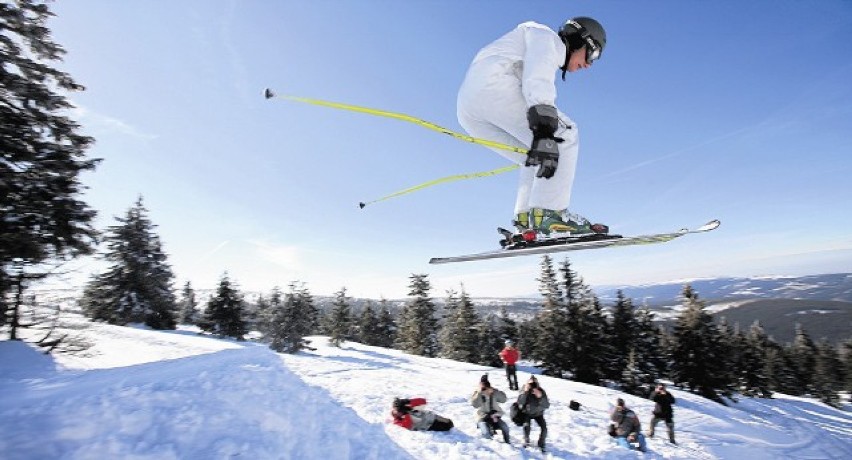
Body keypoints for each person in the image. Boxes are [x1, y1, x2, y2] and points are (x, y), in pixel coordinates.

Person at [457, 17, 609, 235]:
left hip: (469, 108)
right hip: (494, 86)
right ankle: (551, 212)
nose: (588, 65)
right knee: (566, 133)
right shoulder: (547, 38)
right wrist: (545, 127)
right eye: (593, 55)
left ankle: (526, 218)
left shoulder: (530, 40)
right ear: (580, 40)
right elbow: (537, 77)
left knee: (533, 155)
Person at [470, 374, 511, 443]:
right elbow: (475, 405)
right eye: (484, 388)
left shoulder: (494, 393)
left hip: (494, 417)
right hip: (483, 418)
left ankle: (508, 443)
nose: (486, 390)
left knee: (505, 427)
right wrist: (479, 393)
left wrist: (495, 391)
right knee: (486, 433)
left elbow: (504, 399)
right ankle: (491, 447)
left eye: (487, 388)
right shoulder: (478, 394)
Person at [517, 375, 550, 452]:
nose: (533, 385)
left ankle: (541, 444)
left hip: (538, 413)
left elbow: (547, 405)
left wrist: (540, 397)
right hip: (527, 413)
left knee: (544, 429)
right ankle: (526, 439)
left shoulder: (541, 391)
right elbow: (520, 402)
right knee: (526, 427)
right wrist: (525, 392)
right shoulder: (524, 389)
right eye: (531, 383)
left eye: (534, 383)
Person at [390, 397, 454, 431]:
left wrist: (408, 401)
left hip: (432, 416)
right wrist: (405, 414)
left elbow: (423, 401)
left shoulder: (407, 407)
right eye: (396, 413)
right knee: (448, 425)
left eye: (396, 410)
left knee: (449, 422)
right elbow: (407, 424)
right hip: (430, 425)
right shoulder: (399, 421)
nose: (397, 412)